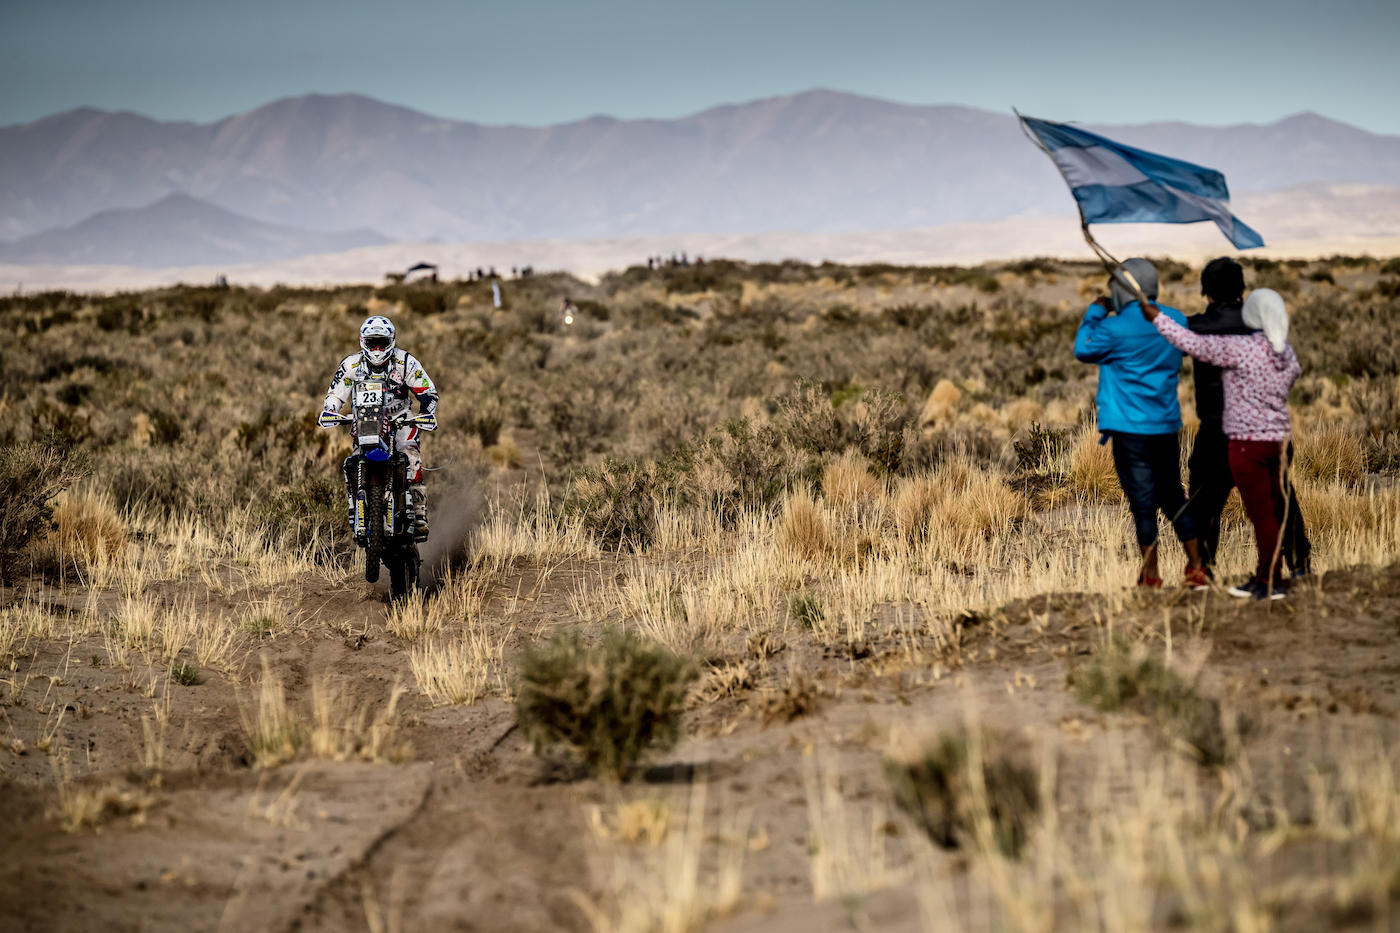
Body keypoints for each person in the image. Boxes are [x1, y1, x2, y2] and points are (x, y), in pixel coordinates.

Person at [1144, 289, 1302, 600]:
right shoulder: (1287, 353)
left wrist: (1157, 318)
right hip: (1280, 440)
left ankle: (1267, 581)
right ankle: (1277, 574)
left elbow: (1192, 343)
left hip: (1248, 443)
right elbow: (1291, 375)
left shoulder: (1241, 349)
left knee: (1262, 516)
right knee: (1276, 510)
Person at [1074, 258, 1208, 589]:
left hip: (1129, 431)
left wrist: (1095, 312)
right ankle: (1197, 567)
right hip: (1165, 425)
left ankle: (1150, 575)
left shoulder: (1113, 328)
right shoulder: (1173, 319)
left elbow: (1082, 349)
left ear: (1122, 290)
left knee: (1142, 502)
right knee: (1174, 495)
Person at [1187, 258, 1310, 578]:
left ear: (1206, 291)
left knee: (1202, 507)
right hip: (1261, 429)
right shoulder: (1260, 327)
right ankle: (1299, 565)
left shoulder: (1197, 326)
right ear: (1242, 290)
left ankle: (1202, 571)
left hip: (1215, 431)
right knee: (1280, 498)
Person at [318, 316, 439, 540]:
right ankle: (355, 512)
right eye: (372, 342)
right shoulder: (351, 365)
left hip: (399, 418)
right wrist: (330, 409)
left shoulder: (405, 362)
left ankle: (419, 515)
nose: (377, 348)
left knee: (410, 455)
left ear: (391, 341)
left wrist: (425, 412)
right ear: (363, 341)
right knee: (353, 461)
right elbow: (336, 393)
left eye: (381, 343)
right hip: (365, 420)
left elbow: (428, 392)